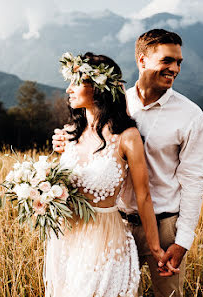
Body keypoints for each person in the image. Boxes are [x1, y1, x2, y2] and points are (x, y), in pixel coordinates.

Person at [53, 29, 203, 297]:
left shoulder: (191, 116)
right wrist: (66, 146)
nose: (175, 69)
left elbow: (195, 182)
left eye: (179, 62)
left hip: (163, 226)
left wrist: (182, 241)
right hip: (113, 225)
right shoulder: (114, 104)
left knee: (168, 295)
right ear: (142, 61)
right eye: (167, 61)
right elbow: (92, 150)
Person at [45, 52, 166, 297]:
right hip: (66, 239)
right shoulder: (69, 133)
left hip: (106, 241)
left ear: (99, 87)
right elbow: (64, 185)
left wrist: (156, 248)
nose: (68, 89)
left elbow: (143, 196)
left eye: (76, 81)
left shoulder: (128, 136)